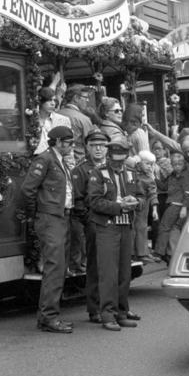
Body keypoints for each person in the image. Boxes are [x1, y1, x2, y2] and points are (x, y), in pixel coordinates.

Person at [22, 125, 76, 333]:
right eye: (69, 143)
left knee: (59, 267)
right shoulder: (45, 159)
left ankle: (49, 316)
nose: (71, 146)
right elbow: (28, 190)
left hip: (60, 217)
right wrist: (39, 213)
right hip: (50, 218)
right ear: (59, 142)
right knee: (54, 267)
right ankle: (48, 317)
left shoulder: (58, 159)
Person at [87, 139, 144, 331]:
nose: (118, 164)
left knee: (124, 273)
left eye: (121, 160)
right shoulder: (98, 173)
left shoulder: (131, 173)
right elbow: (94, 202)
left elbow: (143, 197)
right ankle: (107, 314)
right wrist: (119, 206)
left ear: (126, 157)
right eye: (115, 160)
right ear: (109, 156)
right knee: (108, 273)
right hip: (107, 227)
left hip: (126, 226)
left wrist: (136, 201)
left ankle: (121, 312)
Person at [71, 128, 109, 323]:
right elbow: (77, 201)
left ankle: (115, 307)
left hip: (115, 222)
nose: (98, 149)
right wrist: (90, 220)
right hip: (94, 222)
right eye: (94, 146)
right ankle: (95, 308)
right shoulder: (80, 170)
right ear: (87, 147)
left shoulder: (113, 168)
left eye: (102, 146)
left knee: (113, 266)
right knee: (95, 266)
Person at [153, 150, 189, 265]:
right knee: (173, 230)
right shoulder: (172, 175)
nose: (177, 167)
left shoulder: (186, 176)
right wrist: (153, 178)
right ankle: (172, 255)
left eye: (179, 164)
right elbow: (164, 186)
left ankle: (159, 253)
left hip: (177, 205)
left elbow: (188, 193)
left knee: (164, 227)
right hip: (173, 204)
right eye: (174, 164)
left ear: (184, 164)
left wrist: (184, 207)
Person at [56, 85, 95, 164]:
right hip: (79, 164)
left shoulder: (55, 114)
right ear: (76, 98)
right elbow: (91, 146)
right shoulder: (83, 119)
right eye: (86, 97)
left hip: (57, 162)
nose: (87, 101)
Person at [33, 87, 71, 155]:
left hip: (55, 159)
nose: (53, 103)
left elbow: (68, 145)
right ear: (41, 101)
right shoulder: (32, 119)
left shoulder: (63, 120)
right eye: (49, 100)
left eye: (54, 100)